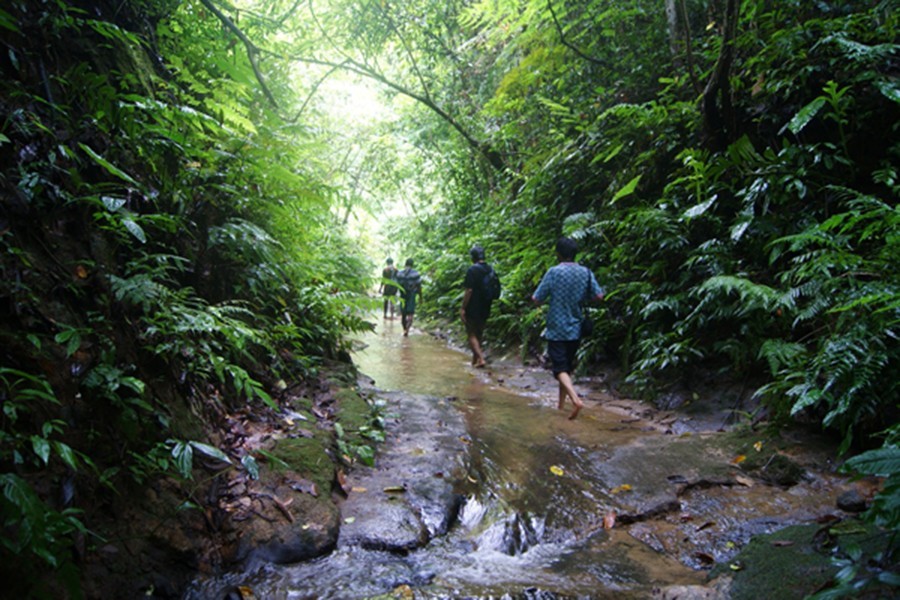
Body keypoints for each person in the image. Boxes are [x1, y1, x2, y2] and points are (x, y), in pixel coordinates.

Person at [531, 237, 604, 420]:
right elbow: (599, 296)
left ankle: (575, 400)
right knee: (566, 368)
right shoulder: (585, 272)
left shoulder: (554, 272)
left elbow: (537, 298)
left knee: (559, 369)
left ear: (558, 254)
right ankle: (561, 406)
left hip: (556, 327)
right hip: (575, 327)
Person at [461, 245, 496, 368]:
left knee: (471, 333)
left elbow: (469, 290)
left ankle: (481, 359)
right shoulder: (490, 269)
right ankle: (474, 361)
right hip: (486, 304)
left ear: (473, 257)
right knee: (479, 333)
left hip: (473, 305)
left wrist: (463, 307)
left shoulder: (472, 270)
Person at [396, 258, 423, 337]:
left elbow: (396, 285)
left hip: (402, 295)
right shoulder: (415, 274)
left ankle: (404, 329)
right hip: (411, 295)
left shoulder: (399, 273)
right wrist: (421, 297)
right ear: (412, 264)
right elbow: (419, 286)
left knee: (403, 315)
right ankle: (407, 330)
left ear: (405, 264)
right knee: (410, 314)